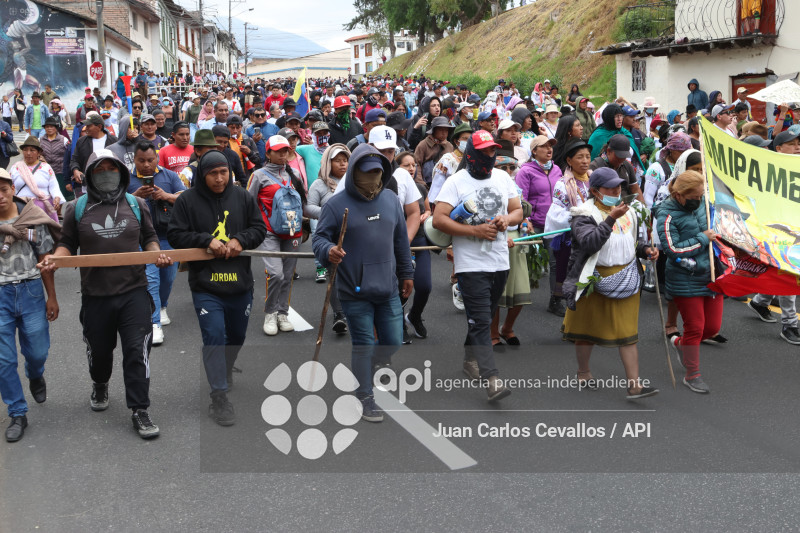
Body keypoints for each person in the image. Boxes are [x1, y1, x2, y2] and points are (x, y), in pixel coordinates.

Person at [38, 150, 171, 439]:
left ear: (122, 172)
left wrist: (155, 254)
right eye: (100, 170)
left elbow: (149, 238)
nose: (107, 173)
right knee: (100, 352)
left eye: (113, 168)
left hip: (134, 292)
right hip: (96, 295)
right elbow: (67, 244)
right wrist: (55, 259)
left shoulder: (136, 204)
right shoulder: (77, 208)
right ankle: (100, 382)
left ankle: (140, 409)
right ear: (89, 175)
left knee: (137, 350)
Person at [313, 144, 413, 422]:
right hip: (353, 289)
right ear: (355, 172)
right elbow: (319, 239)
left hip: (388, 287)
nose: (373, 178)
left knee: (392, 340)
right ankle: (366, 396)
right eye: (367, 172)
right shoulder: (336, 204)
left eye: (378, 172)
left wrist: (407, 273)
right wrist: (328, 251)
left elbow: (401, 241)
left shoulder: (391, 200)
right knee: (363, 343)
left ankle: (370, 365)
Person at [167, 151, 267, 426]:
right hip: (206, 285)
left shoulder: (243, 196)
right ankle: (219, 396)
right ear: (202, 174)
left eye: (224, 172)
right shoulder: (187, 200)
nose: (219, 178)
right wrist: (205, 240)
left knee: (235, 337)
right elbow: (175, 235)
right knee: (214, 335)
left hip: (240, 283)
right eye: (213, 173)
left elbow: (259, 228)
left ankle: (225, 367)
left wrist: (241, 240)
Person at [433, 130, 523, 402]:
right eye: (483, 150)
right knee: (482, 318)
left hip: (499, 260)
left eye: (492, 150)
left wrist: (506, 220)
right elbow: (438, 219)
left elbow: (518, 211)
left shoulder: (503, 177)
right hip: (470, 263)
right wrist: (474, 232)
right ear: (471, 153)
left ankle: (470, 358)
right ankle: (491, 378)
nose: (489, 155)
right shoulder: (456, 181)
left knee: (483, 315)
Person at [561, 167, 660, 400]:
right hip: (594, 279)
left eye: (619, 186)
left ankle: (634, 385)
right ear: (595, 191)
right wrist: (611, 218)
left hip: (626, 278)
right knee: (586, 331)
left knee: (628, 334)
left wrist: (646, 250)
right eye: (610, 188)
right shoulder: (582, 213)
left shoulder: (630, 213)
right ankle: (583, 372)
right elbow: (590, 243)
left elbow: (629, 244)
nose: (617, 191)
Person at [0, 169, 60, 442]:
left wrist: (52, 296)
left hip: (31, 290)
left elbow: (46, 258)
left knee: (37, 351)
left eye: (3, 189)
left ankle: (35, 374)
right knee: (4, 360)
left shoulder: (32, 217)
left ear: (12, 188)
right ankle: (17, 412)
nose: (0, 196)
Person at [653, 170, 721, 394]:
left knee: (711, 329)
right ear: (680, 195)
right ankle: (692, 375)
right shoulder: (665, 215)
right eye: (694, 197)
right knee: (695, 327)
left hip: (711, 275)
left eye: (701, 196)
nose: (699, 201)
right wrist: (703, 238)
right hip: (685, 278)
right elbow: (672, 250)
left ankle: (680, 345)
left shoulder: (704, 204)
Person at [127, 142, 186, 345]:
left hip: (167, 236)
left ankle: (162, 307)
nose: (146, 165)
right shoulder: (126, 178)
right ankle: (154, 324)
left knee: (167, 278)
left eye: (150, 160)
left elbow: (185, 198)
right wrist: (134, 197)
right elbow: (115, 203)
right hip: (141, 239)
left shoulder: (169, 176)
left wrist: (165, 196)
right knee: (151, 278)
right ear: (134, 160)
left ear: (157, 159)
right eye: (141, 160)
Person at [746, 129, 800, 345]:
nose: (798, 146)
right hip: (779, 230)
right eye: (792, 143)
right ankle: (790, 324)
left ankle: (760, 301)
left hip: (796, 225)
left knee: (783, 271)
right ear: (779, 149)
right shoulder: (768, 172)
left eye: (799, 143)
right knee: (789, 271)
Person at [247, 135, 304, 336]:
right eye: (278, 150)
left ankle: (282, 313)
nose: (283, 154)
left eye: (286, 150)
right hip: (268, 233)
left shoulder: (295, 174)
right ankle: (270, 313)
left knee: (287, 276)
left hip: (293, 232)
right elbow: (248, 204)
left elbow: (303, 205)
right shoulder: (258, 175)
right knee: (276, 274)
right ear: (268, 153)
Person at [489, 140, 530, 349]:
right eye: (502, 167)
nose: (508, 171)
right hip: (497, 240)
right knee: (497, 291)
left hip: (518, 241)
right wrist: (503, 237)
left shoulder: (514, 185)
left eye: (511, 167)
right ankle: (493, 332)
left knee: (521, 292)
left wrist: (526, 222)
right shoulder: (488, 185)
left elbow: (520, 211)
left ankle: (507, 327)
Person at [515, 135, 562, 311]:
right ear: (534, 151)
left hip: (554, 223)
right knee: (524, 262)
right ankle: (514, 298)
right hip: (535, 224)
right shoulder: (525, 171)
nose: (549, 149)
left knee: (556, 262)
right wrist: (525, 220)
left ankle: (556, 300)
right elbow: (521, 199)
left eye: (551, 145)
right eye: (544, 146)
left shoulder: (557, 169)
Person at [307, 144, 350, 331]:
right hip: (330, 235)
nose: (342, 164)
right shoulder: (320, 184)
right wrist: (330, 212)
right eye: (337, 161)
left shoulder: (354, 182)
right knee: (335, 271)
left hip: (354, 233)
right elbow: (308, 208)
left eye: (345, 160)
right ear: (328, 162)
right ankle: (339, 314)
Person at [10, 136, 64, 223]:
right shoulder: (15, 167)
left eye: (32, 150)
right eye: (25, 150)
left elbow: (54, 186)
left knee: (42, 234)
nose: (28, 153)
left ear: (39, 153)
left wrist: (57, 197)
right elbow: (9, 187)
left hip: (42, 209)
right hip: (20, 207)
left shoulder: (46, 168)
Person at [642, 132, 692, 208]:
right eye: (681, 152)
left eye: (686, 152)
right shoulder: (656, 169)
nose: (684, 155)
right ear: (672, 149)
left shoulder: (686, 166)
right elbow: (648, 199)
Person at [589, 134, 642, 201]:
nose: (621, 160)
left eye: (624, 156)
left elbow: (635, 189)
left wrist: (643, 208)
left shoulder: (627, 165)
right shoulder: (596, 166)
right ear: (609, 151)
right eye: (619, 156)